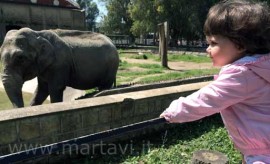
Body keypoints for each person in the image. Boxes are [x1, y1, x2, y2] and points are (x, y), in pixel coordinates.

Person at [160, 0, 270, 164]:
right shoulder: (261, 66)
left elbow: (206, 99)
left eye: (213, 43)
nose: (207, 49)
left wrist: (173, 112)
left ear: (239, 44)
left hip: (262, 153)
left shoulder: (241, 74)